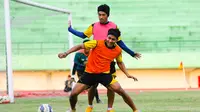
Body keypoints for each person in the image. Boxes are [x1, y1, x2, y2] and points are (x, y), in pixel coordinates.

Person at [68, 4, 141, 112]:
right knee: (92, 86)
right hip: (95, 60)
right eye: (99, 14)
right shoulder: (94, 26)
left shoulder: (114, 27)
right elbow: (83, 35)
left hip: (108, 62)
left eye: (103, 15)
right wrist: (70, 29)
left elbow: (120, 43)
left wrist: (131, 53)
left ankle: (110, 108)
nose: (101, 17)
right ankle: (90, 106)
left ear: (108, 15)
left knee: (113, 88)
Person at [59, 29, 139, 112]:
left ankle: (135, 110)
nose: (110, 40)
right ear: (106, 37)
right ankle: (73, 109)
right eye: (109, 38)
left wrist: (127, 74)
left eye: (113, 39)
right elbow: (80, 46)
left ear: (117, 40)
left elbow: (120, 63)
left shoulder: (118, 50)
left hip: (104, 75)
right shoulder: (96, 43)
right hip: (89, 74)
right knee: (73, 94)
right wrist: (66, 53)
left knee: (120, 90)